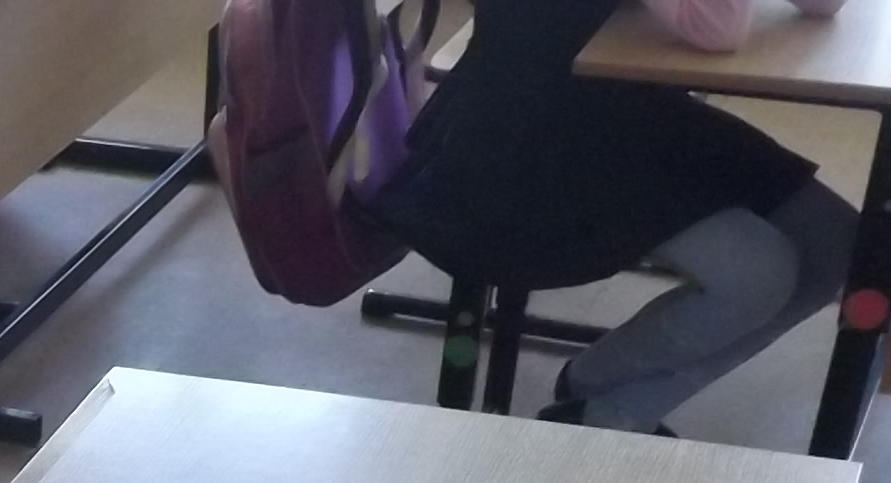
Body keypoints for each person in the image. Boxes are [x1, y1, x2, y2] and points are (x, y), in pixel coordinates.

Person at [368, 0, 859, 434]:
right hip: (523, 136)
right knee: (759, 274)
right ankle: (607, 405)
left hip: (627, 108)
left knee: (837, 241)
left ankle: (601, 398)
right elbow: (718, 29)